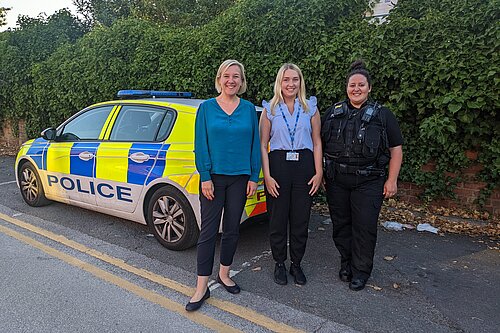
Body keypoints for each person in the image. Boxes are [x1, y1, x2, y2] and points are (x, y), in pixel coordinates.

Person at [321, 60, 403, 291]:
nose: (356, 89)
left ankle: (361, 270)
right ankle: (346, 263)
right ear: (346, 88)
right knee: (341, 225)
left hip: (369, 182)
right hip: (337, 181)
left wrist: (392, 179)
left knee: (364, 227)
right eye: (352, 85)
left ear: (369, 88)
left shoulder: (383, 115)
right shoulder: (333, 113)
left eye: (361, 85)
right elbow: (319, 144)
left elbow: (396, 149)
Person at [186, 59, 261, 311]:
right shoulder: (206, 108)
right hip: (213, 180)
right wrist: (205, 176)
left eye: (236, 76)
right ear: (219, 79)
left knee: (232, 229)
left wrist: (253, 176)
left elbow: (255, 145)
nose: (231, 80)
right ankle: (201, 287)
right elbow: (201, 144)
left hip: (240, 178)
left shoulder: (249, 108)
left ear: (241, 81)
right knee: (207, 232)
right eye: (227, 76)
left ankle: (225, 274)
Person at [260, 63, 323, 286]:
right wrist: (267, 176)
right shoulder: (270, 110)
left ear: (300, 82)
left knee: (300, 219)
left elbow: (317, 142)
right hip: (278, 166)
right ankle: (279, 263)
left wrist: (319, 172)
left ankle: (296, 264)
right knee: (277, 219)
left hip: (304, 167)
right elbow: (263, 144)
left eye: (295, 80)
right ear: (280, 82)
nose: (291, 84)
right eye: (286, 80)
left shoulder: (310, 109)